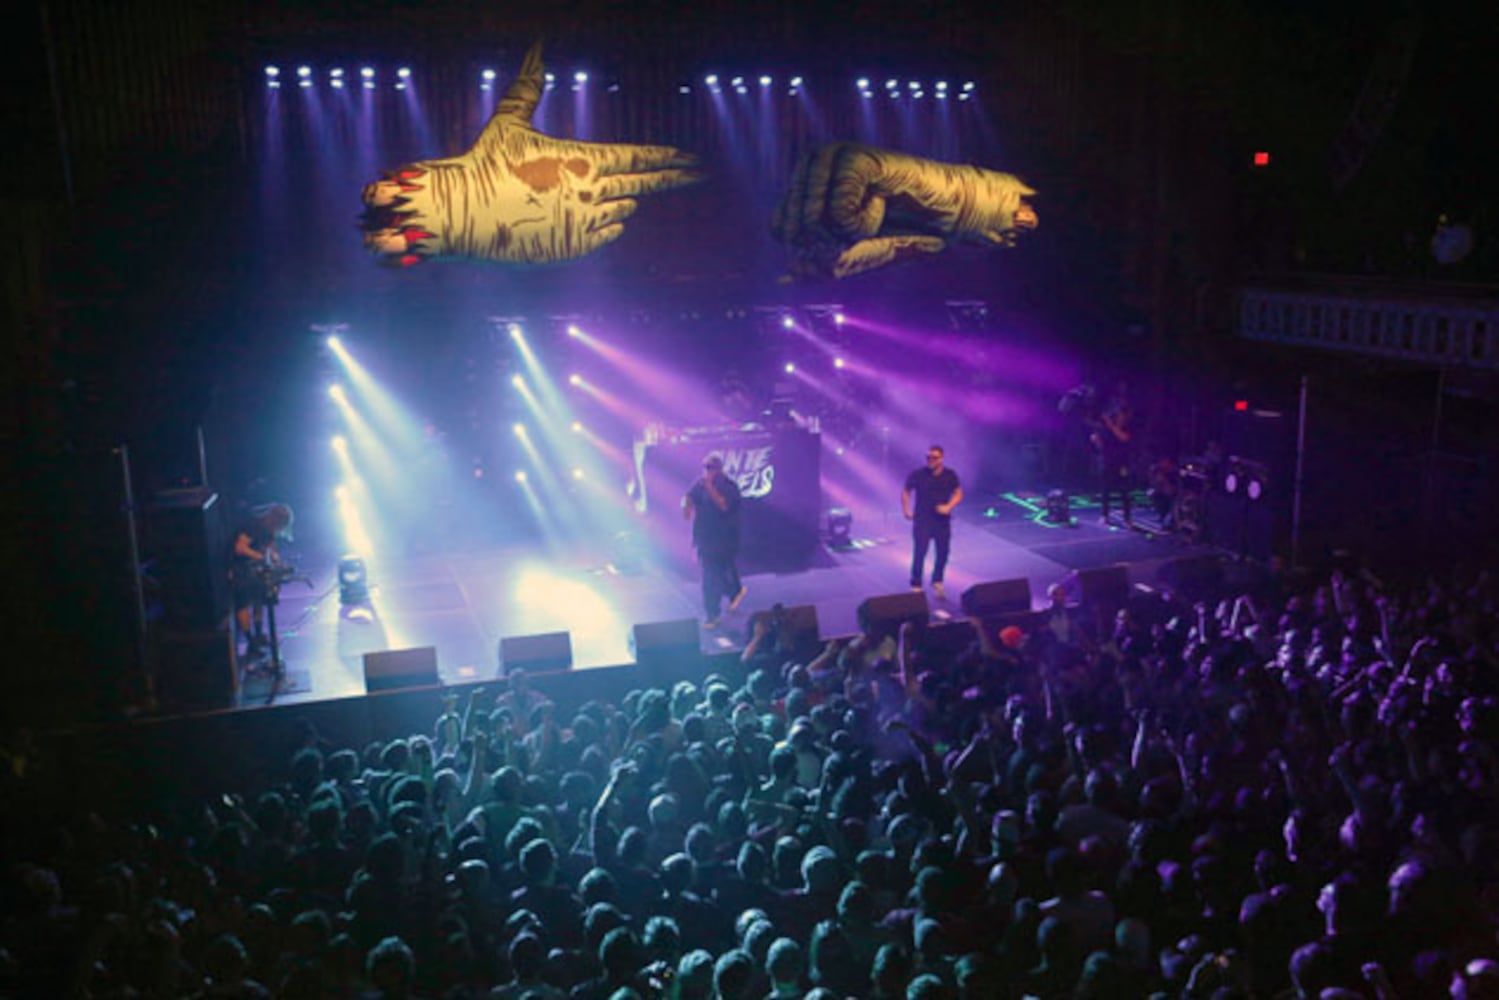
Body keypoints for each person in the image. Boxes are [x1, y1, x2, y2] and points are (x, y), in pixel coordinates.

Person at [683, 453, 746, 629]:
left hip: (724, 539)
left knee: (716, 575)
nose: (707, 471)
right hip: (706, 539)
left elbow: (723, 506)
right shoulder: (699, 485)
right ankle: (724, 601)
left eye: (710, 467)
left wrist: (710, 487)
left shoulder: (729, 487)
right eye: (705, 467)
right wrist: (686, 506)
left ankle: (716, 611)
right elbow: (688, 498)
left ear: (719, 469)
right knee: (713, 575)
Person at [230, 502, 294, 654]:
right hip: (241, 569)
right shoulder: (252, 525)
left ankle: (258, 635)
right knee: (244, 604)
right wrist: (259, 557)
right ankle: (250, 640)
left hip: (255, 570)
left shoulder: (268, 530)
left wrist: (275, 558)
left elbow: (270, 547)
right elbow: (239, 548)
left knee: (259, 599)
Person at [902, 445, 962, 600]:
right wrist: (906, 510)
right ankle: (916, 584)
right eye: (928, 457)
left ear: (941, 459)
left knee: (943, 553)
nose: (931, 460)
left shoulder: (950, 475)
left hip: (941, 521)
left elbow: (958, 493)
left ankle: (937, 580)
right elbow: (906, 491)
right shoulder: (919, 474)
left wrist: (949, 506)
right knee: (920, 553)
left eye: (934, 457)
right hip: (922, 520)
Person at [1092, 382, 1135, 524]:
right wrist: (1096, 439)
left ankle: (1127, 517)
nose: (1120, 417)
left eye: (1122, 414)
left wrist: (1111, 425)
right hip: (1107, 459)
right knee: (1106, 488)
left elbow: (1124, 437)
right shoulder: (1107, 427)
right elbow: (1099, 439)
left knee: (1124, 489)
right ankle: (1105, 515)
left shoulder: (1127, 426)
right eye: (1118, 414)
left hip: (1122, 460)